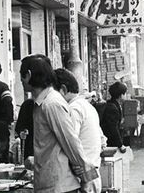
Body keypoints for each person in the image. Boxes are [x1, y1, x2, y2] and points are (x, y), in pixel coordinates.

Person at [20, 54, 100, 193]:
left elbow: (70, 141)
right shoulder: (41, 103)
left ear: (28, 75)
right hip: (48, 183)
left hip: (60, 186)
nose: (20, 80)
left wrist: (86, 177)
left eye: (21, 75)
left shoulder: (52, 103)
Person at [55, 68, 104, 193]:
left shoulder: (73, 109)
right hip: (91, 173)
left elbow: (70, 142)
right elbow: (103, 141)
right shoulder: (86, 106)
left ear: (63, 90)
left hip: (83, 177)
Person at [100, 81, 128, 151]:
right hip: (110, 143)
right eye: (125, 94)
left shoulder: (113, 104)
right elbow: (113, 128)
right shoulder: (112, 108)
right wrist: (120, 145)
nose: (126, 95)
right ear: (121, 95)